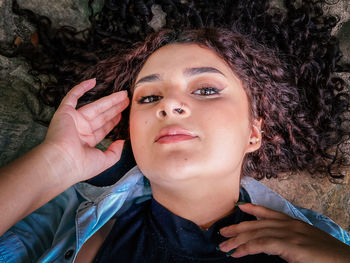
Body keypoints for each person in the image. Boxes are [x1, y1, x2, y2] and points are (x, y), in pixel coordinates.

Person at [0, 26, 350, 263]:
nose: (169, 105)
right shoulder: (72, 225)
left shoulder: (322, 244)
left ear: (253, 133)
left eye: (206, 89)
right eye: (150, 97)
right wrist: (53, 163)